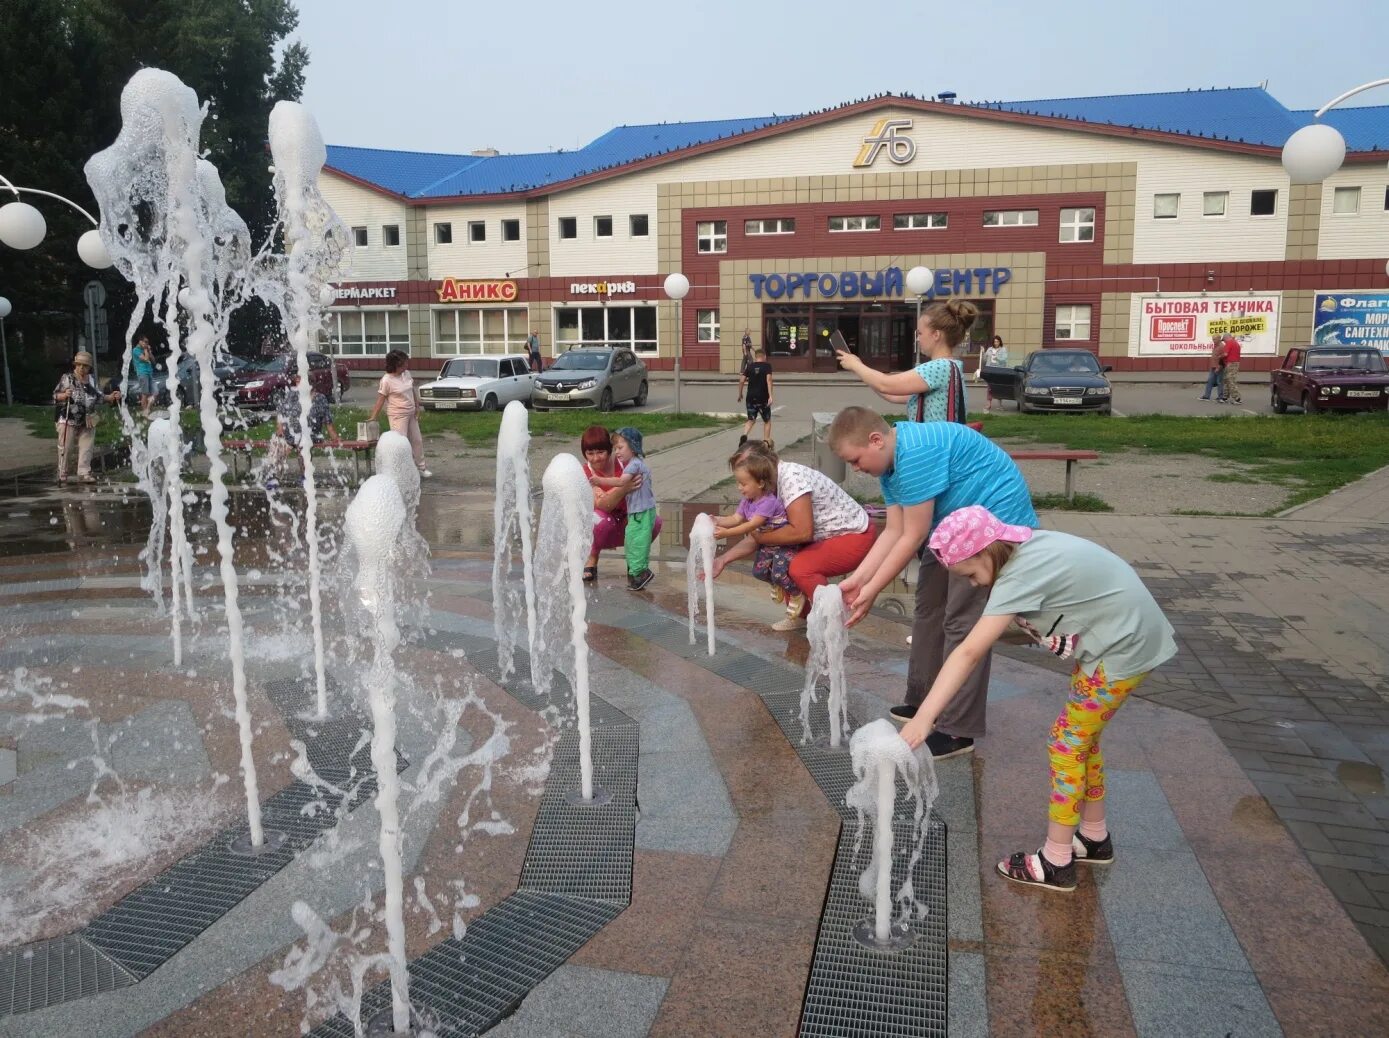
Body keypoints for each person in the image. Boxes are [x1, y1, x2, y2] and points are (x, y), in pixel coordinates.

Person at [898, 505, 1176, 891]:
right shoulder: (1024, 550)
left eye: (971, 574)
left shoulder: (1018, 575)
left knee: (1065, 745)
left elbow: (968, 652)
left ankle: (1056, 861)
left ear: (985, 551)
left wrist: (924, 717)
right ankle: (1094, 838)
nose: (975, 584)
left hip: (1122, 648)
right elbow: (1005, 630)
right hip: (1120, 639)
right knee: (1082, 741)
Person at [828, 406, 1038, 758]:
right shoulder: (892, 464)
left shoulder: (916, 455)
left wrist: (872, 591)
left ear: (875, 440)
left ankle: (958, 729)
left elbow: (912, 536)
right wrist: (858, 580)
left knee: (962, 623)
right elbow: (893, 531)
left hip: (996, 530)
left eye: (856, 460)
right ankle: (925, 698)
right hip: (957, 528)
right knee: (928, 608)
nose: (856, 469)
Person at [711, 441, 877, 632]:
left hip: (854, 535)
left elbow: (801, 531)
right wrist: (723, 559)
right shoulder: (766, 490)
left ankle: (833, 623)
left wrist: (760, 538)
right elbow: (764, 534)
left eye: (745, 474)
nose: (741, 484)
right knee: (775, 558)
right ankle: (802, 616)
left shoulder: (791, 479)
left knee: (799, 567)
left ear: (762, 468)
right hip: (826, 536)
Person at [835, 300, 973, 424]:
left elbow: (885, 384)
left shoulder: (939, 367)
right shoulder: (952, 366)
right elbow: (892, 395)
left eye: (920, 333)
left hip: (933, 448)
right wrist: (859, 369)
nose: (918, 339)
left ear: (936, 335)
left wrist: (856, 365)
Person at [710, 450, 803, 617]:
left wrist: (726, 533)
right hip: (768, 542)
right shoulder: (747, 501)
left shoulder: (768, 502)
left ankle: (797, 594)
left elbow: (751, 525)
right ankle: (777, 584)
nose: (739, 488)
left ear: (760, 483)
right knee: (759, 572)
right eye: (738, 483)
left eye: (743, 484)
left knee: (780, 572)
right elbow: (735, 518)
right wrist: (716, 520)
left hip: (785, 543)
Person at [579, 425, 662, 583]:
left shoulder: (625, 463)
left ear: (610, 450)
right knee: (598, 520)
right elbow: (603, 505)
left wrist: (608, 493)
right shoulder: (586, 472)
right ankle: (592, 558)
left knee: (653, 522)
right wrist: (624, 488)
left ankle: (634, 566)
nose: (596, 458)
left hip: (627, 519)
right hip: (602, 526)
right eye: (590, 453)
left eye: (600, 452)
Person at [266, 366, 339, 488]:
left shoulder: (320, 399)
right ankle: (274, 476)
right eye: (297, 381)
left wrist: (334, 436)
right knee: (277, 444)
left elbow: (328, 422)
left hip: (311, 434)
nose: (297, 383)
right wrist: (279, 428)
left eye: (300, 381)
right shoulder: (292, 395)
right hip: (291, 433)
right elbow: (281, 413)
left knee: (302, 443)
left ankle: (305, 476)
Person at [53, 351, 119, 484]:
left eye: (85, 366)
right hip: (68, 418)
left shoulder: (92, 380)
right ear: (75, 365)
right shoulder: (68, 378)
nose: (82, 368)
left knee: (87, 447)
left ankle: (84, 472)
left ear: (89, 367)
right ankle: (62, 472)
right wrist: (65, 395)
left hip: (87, 418)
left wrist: (111, 397)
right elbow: (55, 396)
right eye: (79, 365)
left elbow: (98, 396)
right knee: (65, 447)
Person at [367, 349, 430, 477]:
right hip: (397, 415)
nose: (406, 366)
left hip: (411, 412)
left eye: (406, 363)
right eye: (403, 364)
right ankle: (402, 471)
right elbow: (380, 400)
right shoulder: (386, 380)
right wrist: (373, 417)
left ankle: (421, 468)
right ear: (395, 365)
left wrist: (417, 406)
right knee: (401, 444)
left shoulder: (406, 374)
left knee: (417, 440)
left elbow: (412, 390)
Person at [736, 346, 774, 447]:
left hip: (750, 397)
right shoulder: (767, 366)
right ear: (764, 356)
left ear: (756, 357)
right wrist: (770, 396)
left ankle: (744, 435)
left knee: (751, 419)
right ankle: (766, 442)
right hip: (763, 398)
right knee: (767, 421)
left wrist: (740, 394)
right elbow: (769, 380)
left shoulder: (750, 366)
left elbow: (741, 380)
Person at [980, 335, 1009, 412]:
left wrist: (998, 358)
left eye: (997, 341)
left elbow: (1005, 359)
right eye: (995, 341)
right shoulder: (990, 349)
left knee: (999, 387)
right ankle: (988, 404)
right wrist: (983, 352)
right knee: (990, 387)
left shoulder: (1003, 349)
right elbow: (984, 360)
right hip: (990, 369)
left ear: (1000, 342)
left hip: (999, 370)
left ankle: (1000, 405)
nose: (996, 343)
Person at [132, 334, 156, 417]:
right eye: (145, 342)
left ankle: (147, 410)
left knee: (155, 392)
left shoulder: (145, 350)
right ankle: (145, 413)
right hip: (142, 373)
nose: (147, 344)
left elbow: (153, 361)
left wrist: (149, 351)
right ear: (140, 341)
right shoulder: (136, 350)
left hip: (149, 372)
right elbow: (145, 359)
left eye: (147, 342)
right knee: (145, 394)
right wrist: (146, 350)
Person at [1200, 336, 1227, 402]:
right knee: (1210, 381)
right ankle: (1206, 396)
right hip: (1213, 367)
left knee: (1219, 382)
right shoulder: (1216, 345)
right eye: (1212, 339)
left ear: (1219, 339)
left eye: (1214, 339)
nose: (1213, 340)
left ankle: (1220, 397)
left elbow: (1223, 358)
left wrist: (1219, 367)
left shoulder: (1222, 346)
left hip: (1219, 367)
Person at [1220, 333, 1242, 404]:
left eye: (1224, 340)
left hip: (1231, 363)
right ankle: (1225, 397)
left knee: (1230, 380)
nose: (1224, 342)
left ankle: (1237, 398)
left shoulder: (1229, 343)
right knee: (1227, 380)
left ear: (1227, 338)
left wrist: (1219, 356)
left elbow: (1225, 354)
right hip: (1234, 363)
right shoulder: (1236, 343)